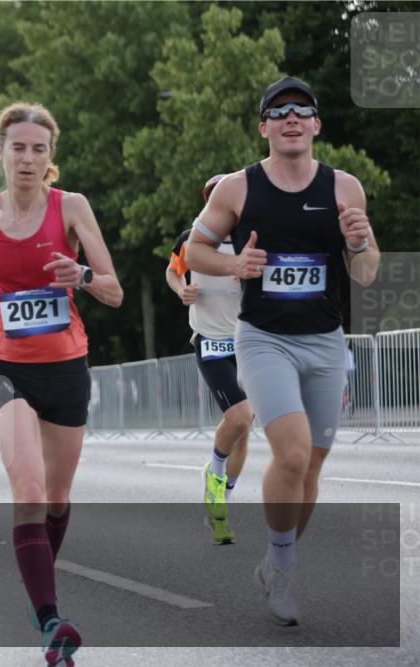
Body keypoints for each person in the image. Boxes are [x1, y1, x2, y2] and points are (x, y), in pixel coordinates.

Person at [186, 76, 380, 626]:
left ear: (316, 124)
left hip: (324, 341)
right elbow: (195, 251)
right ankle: (286, 576)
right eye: (278, 111)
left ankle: (276, 563)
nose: (290, 117)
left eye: (302, 110)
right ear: (264, 127)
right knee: (291, 453)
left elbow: (365, 274)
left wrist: (361, 242)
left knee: (312, 466)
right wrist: (234, 265)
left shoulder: (346, 188)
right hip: (263, 339)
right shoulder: (236, 190)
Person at [0, 102, 123, 666]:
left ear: (51, 157)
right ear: (0, 151)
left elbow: (114, 290)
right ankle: (50, 620)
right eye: (17, 147)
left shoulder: (72, 207)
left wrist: (84, 275)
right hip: (5, 363)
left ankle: (40, 587)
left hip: (66, 364)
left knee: (58, 498)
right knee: (30, 490)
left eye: (38, 149)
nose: (27, 158)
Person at [166, 174, 254, 544]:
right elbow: (172, 271)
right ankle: (214, 470)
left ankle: (221, 505)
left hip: (248, 341)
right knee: (240, 417)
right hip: (212, 341)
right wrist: (182, 289)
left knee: (243, 430)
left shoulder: (251, 241)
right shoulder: (191, 241)